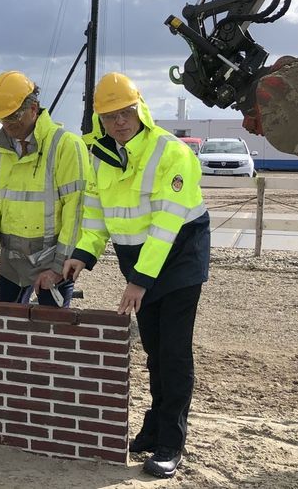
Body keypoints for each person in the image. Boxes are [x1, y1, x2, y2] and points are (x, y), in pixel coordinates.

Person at [61, 72, 209, 479]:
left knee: (174, 353)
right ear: (99, 120)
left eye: (125, 113)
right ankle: (155, 425)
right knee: (154, 351)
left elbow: (165, 226)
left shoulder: (172, 153)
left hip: (178, 260)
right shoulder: (100, 155)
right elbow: (95, 215)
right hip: (139, 264)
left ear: (140, 108)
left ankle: (170, 443)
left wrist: (140, 280)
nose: (119, 122)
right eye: (109, 116)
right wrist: (81, 256)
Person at [0, 71, 89, 307]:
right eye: (2, 118)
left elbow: (77, 211)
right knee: (9, 331)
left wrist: (58, 268)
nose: (8, 124)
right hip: (11, 264)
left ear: (33, 108)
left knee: (51, 335)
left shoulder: (66, 145)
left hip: (52, 262)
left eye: (13, 116)